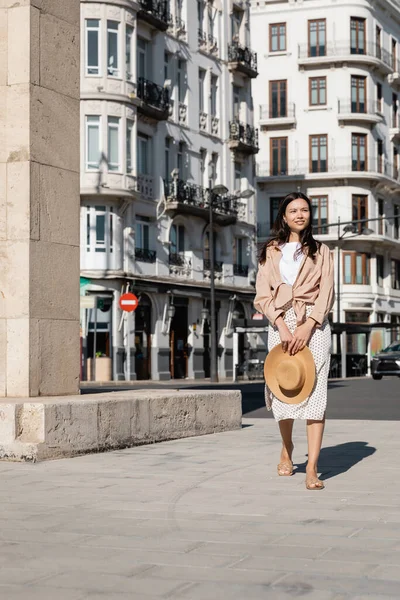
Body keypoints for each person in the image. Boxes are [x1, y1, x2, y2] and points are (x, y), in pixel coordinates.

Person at [254, 192, 334, 490]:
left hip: (314, 325)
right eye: (293, 210)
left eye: (305, 210)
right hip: (280, 324)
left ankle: (312, 468)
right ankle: (287, 448)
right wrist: (283, 327)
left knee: (315, 395)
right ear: (284, 217)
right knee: (284, 390)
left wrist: (310, 325)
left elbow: (326, 290)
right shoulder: (270, 252)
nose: (300, 214)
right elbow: (262, 294)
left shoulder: (322, 251)